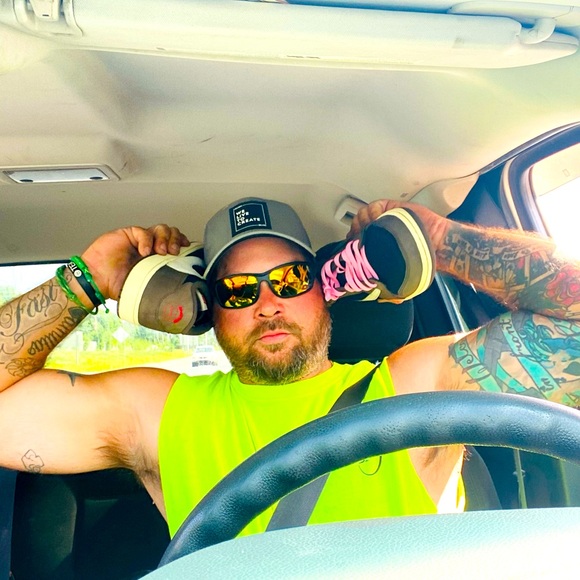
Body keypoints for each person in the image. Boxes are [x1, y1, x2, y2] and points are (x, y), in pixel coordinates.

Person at [0, 196, 579, 540]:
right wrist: (86, 280)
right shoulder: (156, 412)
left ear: (324, 290)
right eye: (236, 289)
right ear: (206, 311)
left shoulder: (413, 386)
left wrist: (438, 239)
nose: (267, 303)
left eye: (290, 279)